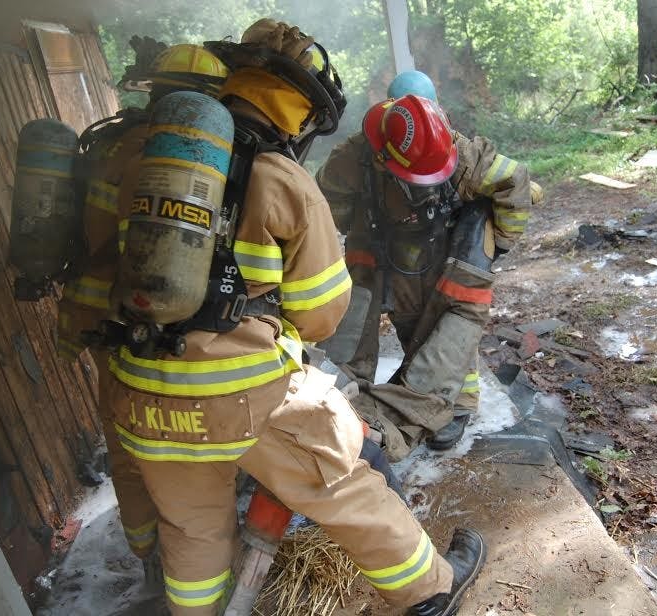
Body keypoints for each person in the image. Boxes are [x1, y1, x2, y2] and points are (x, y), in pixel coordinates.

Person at [94, 19, 486, 616]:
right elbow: (323, 313)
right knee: (344, 481)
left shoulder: (145, 165)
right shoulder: (283, 178)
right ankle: (430, 592)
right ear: (299, 114)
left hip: (142, 388)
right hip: (243, 393)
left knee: (192, 530)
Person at [54, 41, 229, 578]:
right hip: (151, 312)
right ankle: (190, 555)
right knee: (176, 442)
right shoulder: (180, 154)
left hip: (93, 314)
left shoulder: (108, 144)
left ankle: (146, 553)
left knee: (124, 443)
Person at [316, 71, 540, 461]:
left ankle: (455, 406)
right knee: (366, 321)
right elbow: (327, 193)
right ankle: (345, 401)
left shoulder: (462, 153)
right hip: (378, 245)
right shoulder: (356, 156)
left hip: (440, 248)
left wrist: (498, 242)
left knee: (443, 325)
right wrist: (358, 222)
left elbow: (515, 182)